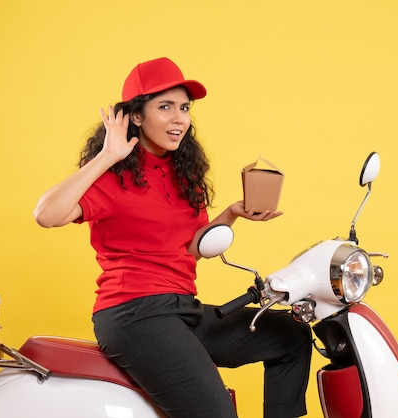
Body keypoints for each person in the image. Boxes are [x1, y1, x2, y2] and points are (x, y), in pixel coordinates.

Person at [33, 57, 312, 418]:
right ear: (135, 115)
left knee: (289, 334)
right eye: (165, 107)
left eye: (184, 108)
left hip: (182, 308)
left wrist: (230, 215)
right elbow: (46, 215)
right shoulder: (112, 178)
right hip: (133, 315)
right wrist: (107, 156)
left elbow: (189, 251)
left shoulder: (183, 175)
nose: (179, 118)